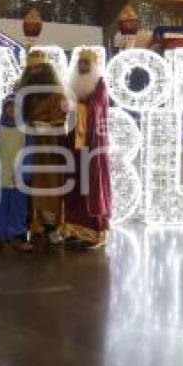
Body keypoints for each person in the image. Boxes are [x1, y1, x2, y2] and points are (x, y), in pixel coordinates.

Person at [15, 49, 69, 245]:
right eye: (32, 68)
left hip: (49, 147)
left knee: (49, 188)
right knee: (26, 187)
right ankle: (29, 225)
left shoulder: (58, 93)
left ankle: (51, 227)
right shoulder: (20, 91)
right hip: (26, 144)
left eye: (40, 67)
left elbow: (61, 119)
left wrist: (46, 126)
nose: (36, 71)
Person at [60, 50, 112, 249]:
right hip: (75, 143)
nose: (82, 67)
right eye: (80, 63)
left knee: (92, 185)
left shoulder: (99, 85)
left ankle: (95, 233)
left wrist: (77, 107)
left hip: (93, 143)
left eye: (86, 64)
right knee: (74, 184)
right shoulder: (73, 84)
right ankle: (74, 229)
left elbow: (97, 108)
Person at [0, 95, 32, 252]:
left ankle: (18, 235)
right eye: (8, 106)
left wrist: (25, 173)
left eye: (15, 106)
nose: (12, 109)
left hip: (17, 174)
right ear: (4, 108)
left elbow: (30, 152)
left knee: (18, 206)